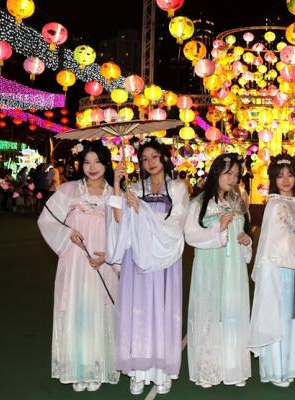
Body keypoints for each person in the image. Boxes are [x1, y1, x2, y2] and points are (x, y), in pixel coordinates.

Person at [107, 137, 189, 395]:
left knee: (162, 311)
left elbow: (176, 223)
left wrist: (142, 211)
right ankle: (137, 371)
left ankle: (162, 371)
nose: (150, 162)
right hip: (137, 260)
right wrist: (117, 186)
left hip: (164, 259)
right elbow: (119, 220)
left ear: (163, 157)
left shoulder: (177, 188)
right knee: (138, 311)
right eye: (144, 158)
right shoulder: (135, 188)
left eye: (154, 156)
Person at [37, 141, 120, 392]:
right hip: (75, 260)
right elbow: (46, 220)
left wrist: (109, 255)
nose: (92, 167)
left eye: (97, 162)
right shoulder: (69, 190)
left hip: (102, 262)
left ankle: (97, 367)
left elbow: (124, 231)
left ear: (107, 164)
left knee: (99, 310)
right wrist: (67, 232)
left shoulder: (114, 195)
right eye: (87, 162)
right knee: (77, 310)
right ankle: (77, 368)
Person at [248, 154, 295, 387]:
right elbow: (276, 242)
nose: (286, 180)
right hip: (281, 269)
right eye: (280, 176)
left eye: (290, 175)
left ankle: (294, 364)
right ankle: (278, 369)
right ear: (273, 179)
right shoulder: (274, 204)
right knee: (281, 316)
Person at [184, 153, 253, 388]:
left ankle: (234, 368)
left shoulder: (238, 202)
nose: (232, 178)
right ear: (216, 172)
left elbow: (243, 233)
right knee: (210, 313)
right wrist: (218, 230)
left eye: (236, 175)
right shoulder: (198, 204)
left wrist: (246, 241)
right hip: (209, 267)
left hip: (234, 268)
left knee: (233, 313)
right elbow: (191, 236)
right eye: (228, 173)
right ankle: (209, 368)